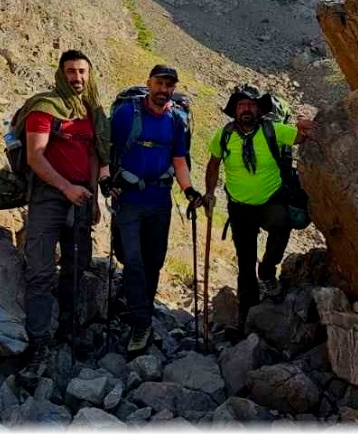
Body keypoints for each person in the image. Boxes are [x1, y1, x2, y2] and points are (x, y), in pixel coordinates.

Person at [18, 49, 111, 388]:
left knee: (76, 267)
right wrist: (66, 187)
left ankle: (71, 332)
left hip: (82, 199)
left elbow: (91, 155)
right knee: (40, 270)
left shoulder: (90, 111)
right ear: (61, 73)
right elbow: (35, 156)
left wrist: (93, 196)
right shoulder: (45, 108)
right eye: (71, 71)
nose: (77, 77)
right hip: (48, 198)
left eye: (82, 71)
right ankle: (39, 344)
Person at [104, 65, 203, 356]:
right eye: (159, 83)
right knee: (131, 259)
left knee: (154, 261)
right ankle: (140, 323)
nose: (164, 90)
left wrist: (189, 191)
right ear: (149, 83)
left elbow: (179, 159)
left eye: (169, 85)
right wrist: (104, 179)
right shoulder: (126, 114)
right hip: (129, 198)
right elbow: (105, 148)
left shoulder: (176, 120)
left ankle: (142, 311)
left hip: (160, 200)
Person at [202, 83, 315, 329]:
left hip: (271, 198)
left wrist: (307, 125)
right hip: (239, 206)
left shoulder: (271, 129)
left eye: (251, 105)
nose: (247, 109)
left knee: (281, 225)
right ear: (234, 110)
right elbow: (213, 164)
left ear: (259, 110)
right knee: (245, 260)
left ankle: (267, 269)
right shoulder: (224, 135)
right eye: (242, 104)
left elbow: (299, 135)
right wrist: (210, 193)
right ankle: (247, 310)